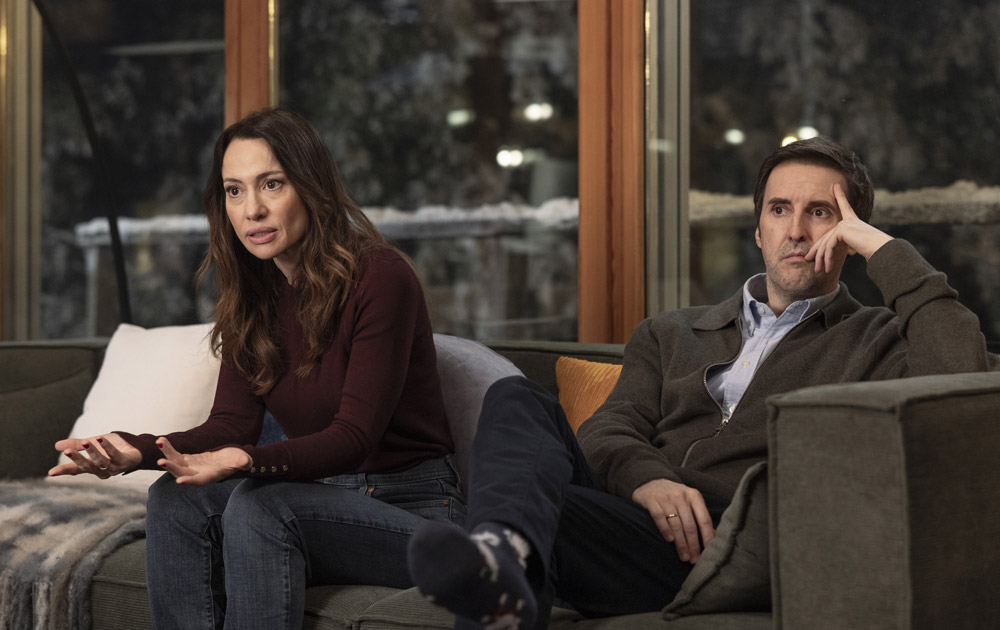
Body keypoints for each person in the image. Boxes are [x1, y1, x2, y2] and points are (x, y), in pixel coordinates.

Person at [406, 136, 998, 629]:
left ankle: (502, 570)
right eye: (779, 209)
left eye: (820, 213)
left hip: (729, 541)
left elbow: (960, 382)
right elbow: (608, 429)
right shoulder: (670, 333)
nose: (796, 230)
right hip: (634, 523)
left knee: (530, 515)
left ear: (849, 231)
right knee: (516, 401)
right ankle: (501, 558)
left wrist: (883, 249)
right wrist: (650, 478)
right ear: (758, 229)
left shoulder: (874, 341)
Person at [48, 107, 466, 630]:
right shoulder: (255, 295)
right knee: (174, 500)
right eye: (234, 190)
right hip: (320, 494)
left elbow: (354, 437)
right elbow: (231, 424)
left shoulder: (380, 278)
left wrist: (243, 460)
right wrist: (137, 450)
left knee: (261, 507)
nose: (253, 210)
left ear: (311, 187)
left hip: (414, 511)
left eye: (272, 184)